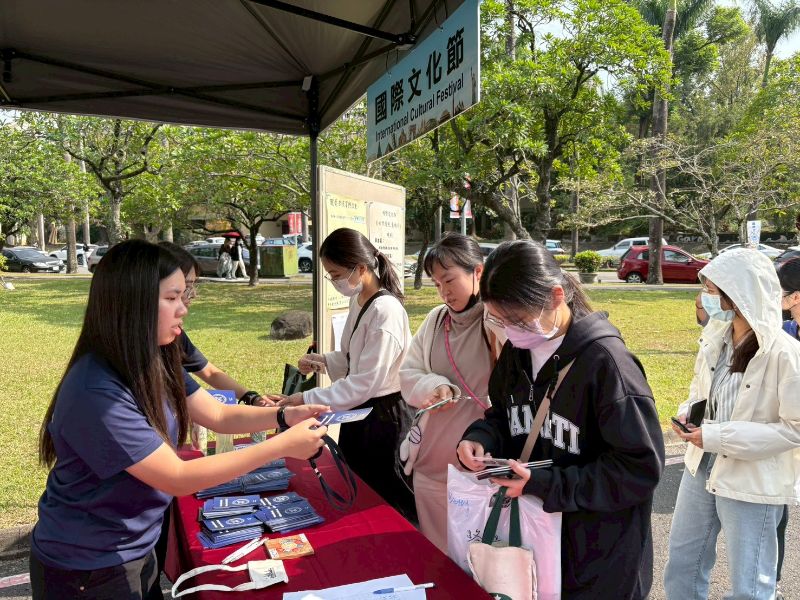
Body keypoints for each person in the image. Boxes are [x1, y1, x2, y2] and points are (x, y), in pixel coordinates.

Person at [29, 240, 329, 600]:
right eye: (172, 298)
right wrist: (280, 446)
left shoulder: (155, 357)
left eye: (184, 296)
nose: (184, 309)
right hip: (87, 565)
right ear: (132, 303)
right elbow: (178, 477)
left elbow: (217, 413)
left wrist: (283, 415)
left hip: (135, 546)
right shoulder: (95, 391)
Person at [457, 240, 664, 600]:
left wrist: (545, 484)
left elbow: (639, 468)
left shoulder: (607, 365)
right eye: (499, 320)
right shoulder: (518, 351)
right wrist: (481, 437)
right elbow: (505, 416)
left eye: (516, 320)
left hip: (597, 558)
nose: (509, 331)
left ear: (556, 296)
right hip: (536, 542)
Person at [664, 248, 800, 600]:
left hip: (752, 476)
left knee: (750, 583)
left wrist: (716, 435)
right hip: (701, 465)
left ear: (739, 296)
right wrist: (687, 414)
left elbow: (795, 427)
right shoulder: (716, 339)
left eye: (713, 290)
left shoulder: (784, 353)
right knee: (683, 564)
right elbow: (702, 393)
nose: (707, 298)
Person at [278, 227, 416, 518]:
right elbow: (355, 358)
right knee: (358, 489)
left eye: (337, 274)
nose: (334, 281)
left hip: (383, 418)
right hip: (361, 413)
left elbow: (365, 381)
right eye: (331, 274)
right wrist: (325, 361)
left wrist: (304, 398)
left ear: (362, 268)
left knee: (385, 499)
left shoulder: (385, 311)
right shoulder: (360, 300)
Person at [399, 234, 502, 551]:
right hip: (430, 464)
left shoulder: (496, 321)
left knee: (480, 561)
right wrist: (433, 386)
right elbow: (407, 373)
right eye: (436, 284)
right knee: (437, 556)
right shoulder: (436, 319)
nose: (444, 292)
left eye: (449, 279)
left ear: (478, 272)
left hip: (478, 468)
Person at [775, 256, 800, 599]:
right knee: (776, 505)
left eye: (780, 291)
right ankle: (773, 582)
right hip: (788, 441)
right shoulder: (786, 330)